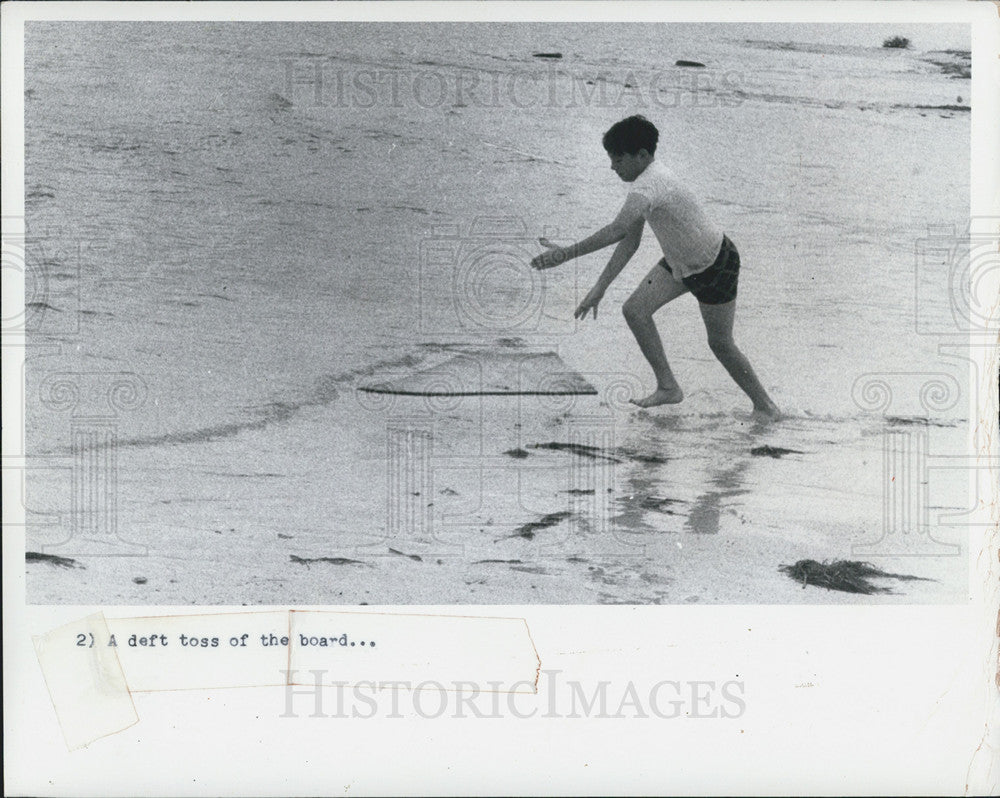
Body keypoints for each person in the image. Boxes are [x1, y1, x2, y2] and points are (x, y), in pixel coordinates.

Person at [530, 115, 780, 420]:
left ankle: (766, 407)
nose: (613, 167)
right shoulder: (643, 184)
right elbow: (630, 242)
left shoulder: (651, 183)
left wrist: (565, 255)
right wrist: (599, 288)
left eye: (618, 159)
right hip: (680, 263)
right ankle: (668, 387)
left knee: (721, 344)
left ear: (642, 156)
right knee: (635, 310)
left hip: (715, 263)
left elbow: (617, 230)